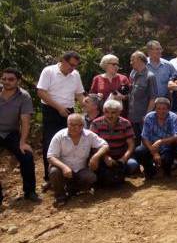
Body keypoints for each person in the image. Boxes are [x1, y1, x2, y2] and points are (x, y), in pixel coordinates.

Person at [37, 51, 85, 184]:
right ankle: (50, 178)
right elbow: (41, 92)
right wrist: (58, 108)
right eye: (71, 65)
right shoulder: (49, 71)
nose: (72, 68)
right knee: (50, 142)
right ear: (62, 60)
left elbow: (79, 94)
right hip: (51, 110)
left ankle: (68, 174)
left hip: (69, 112)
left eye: (75, 66)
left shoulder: (75, 75)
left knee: (70, 142)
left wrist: (85, 102)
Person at [47, 114, 109, 206]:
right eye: (71, 124)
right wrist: (64, 167)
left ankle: (72, 189)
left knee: (91, 177)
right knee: (54, 172)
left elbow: (105, 145)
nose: (74, 127)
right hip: (62, 170)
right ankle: (60, 196)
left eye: (77, 125)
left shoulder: (89, 135)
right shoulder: (59, 136)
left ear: (82, 125)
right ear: (67, 124)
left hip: (80, 169)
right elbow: (50, 156)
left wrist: (95, 157)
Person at [0, 68, 39, 202]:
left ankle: (30, 191)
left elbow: (25, 121)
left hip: (11, 132)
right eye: (4, 79)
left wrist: (22, 142)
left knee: (26, 156)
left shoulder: (24, 96)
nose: (6, 82)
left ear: (18, 81)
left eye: (10, 79)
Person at [90, 99, 139, 186]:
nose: (109, 115)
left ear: (119, 112)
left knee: (133, 165)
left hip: (120, 156)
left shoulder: (126, 123)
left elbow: (131, 145)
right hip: (102, 156)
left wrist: (124, 158)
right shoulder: (95, 123)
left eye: (113, 112)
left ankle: (118, 175)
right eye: (107, 112)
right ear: (103, 111)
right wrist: (105, 157)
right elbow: (93, 145)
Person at [134, 98, 177, 179]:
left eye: (164, 108)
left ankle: (166, 170)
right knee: (139, 151)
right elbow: (144, 137)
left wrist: (160, 141)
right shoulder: (149, 117)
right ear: (155, 108)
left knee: (167, 160)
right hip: (151, 146)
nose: (161, 111)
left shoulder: (173, 117)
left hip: (167, 148)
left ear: (168, 109)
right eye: (158, 108)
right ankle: (150, 170)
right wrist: (154, 152)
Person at [129, 51, 157, 145]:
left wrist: (147, 115)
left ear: (140, 60)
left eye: (133, 60)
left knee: (146, 142)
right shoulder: (134, 75)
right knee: (135, 141)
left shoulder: (150, 76)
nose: (131, 62)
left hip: (143, 118)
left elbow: (153, 98)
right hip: (133, 116)